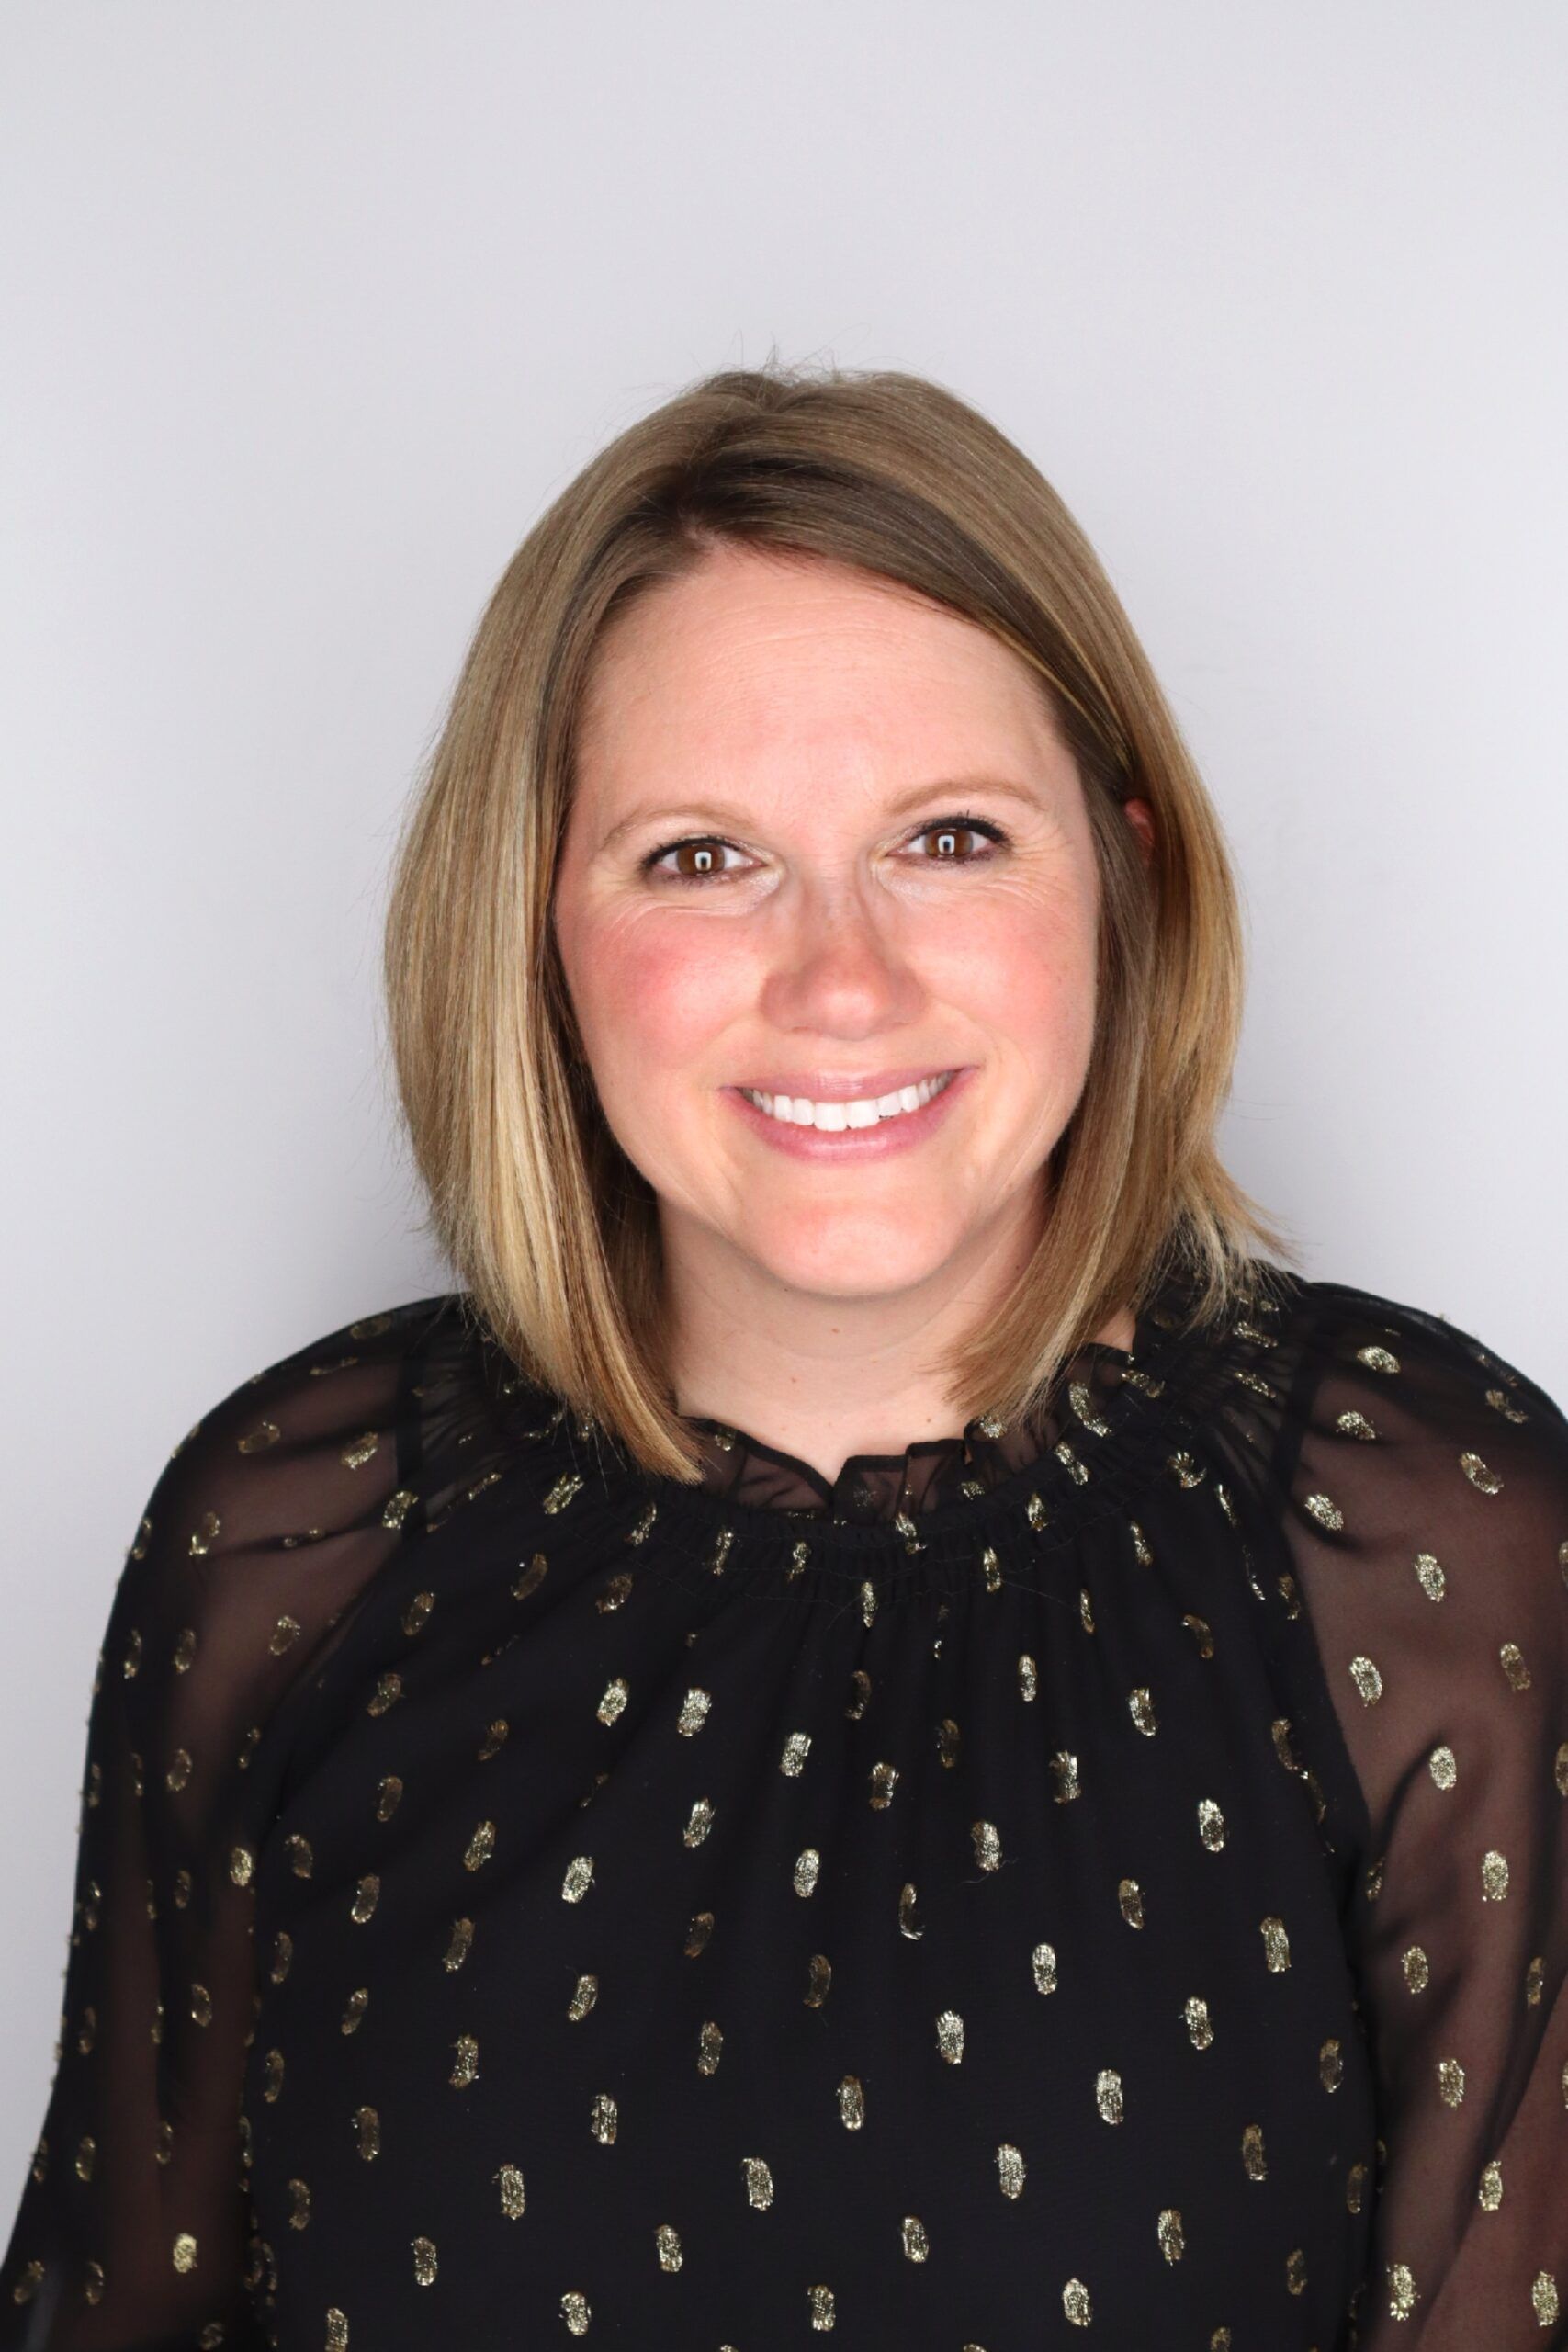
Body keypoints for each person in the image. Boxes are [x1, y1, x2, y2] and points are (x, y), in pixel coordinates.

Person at [2, 361, 1563, 2352]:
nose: (840, 977)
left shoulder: (1425, 1535)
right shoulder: (291, 1540)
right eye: (697, 857)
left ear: (1122, 873)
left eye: (947, 837)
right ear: (535, 932)